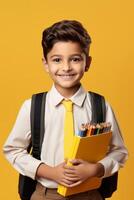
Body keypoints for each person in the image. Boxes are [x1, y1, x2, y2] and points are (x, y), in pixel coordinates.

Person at [3, 20, 128, 200]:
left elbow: (119, 151)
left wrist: (95, 169)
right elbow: (13, 149)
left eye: (75, 59)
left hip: (90, 195)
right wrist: (50, 172)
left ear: (87, 62)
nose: (66, 67)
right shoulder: (32, 106)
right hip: (45, 194)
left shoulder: (101, 105)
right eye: (57, 60)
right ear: (46, 64)